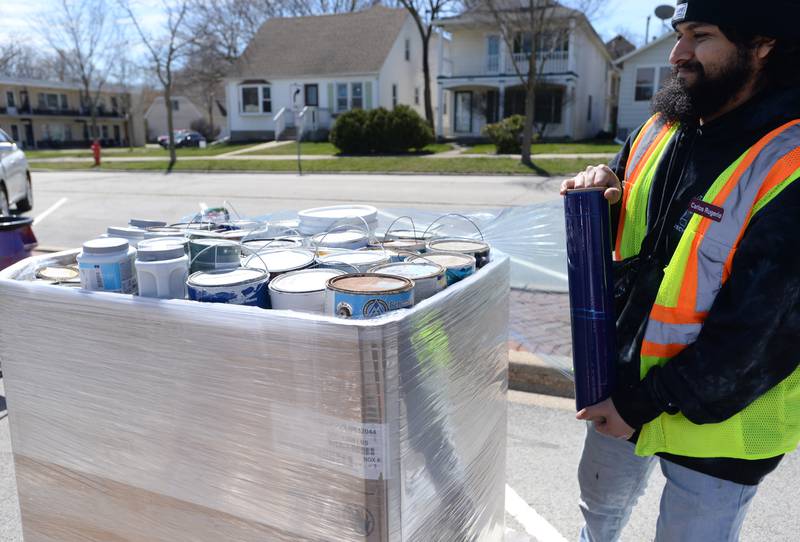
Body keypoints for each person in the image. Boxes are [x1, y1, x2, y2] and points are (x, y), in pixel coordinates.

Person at [559, 0, 800, 540]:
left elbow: (761, 336)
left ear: (763, 47)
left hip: (720, 426)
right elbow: (641, 233)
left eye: (701, 36)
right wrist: (601, 190)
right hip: (623, 389)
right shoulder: (661, 129)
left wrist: (641, 403)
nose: (676, 54)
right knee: (597, 519)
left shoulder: (790, 162)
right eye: (678, 34)